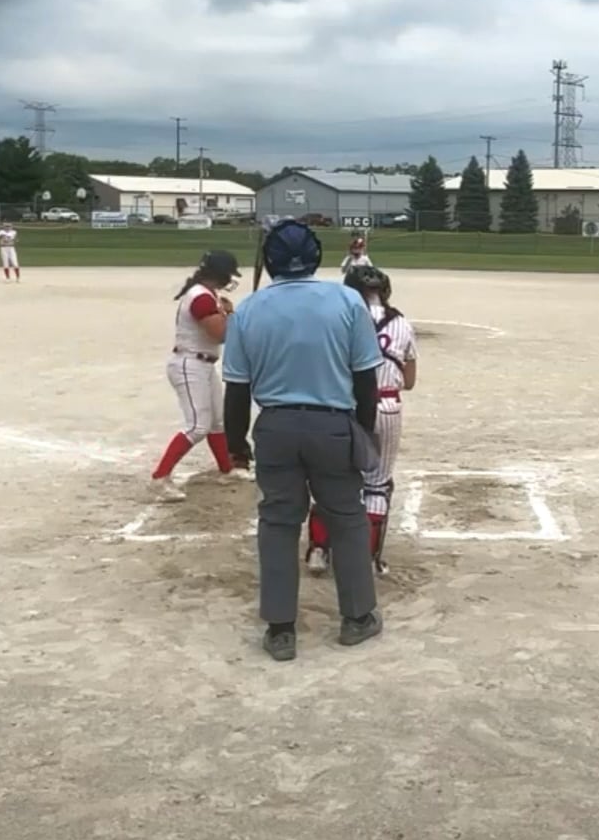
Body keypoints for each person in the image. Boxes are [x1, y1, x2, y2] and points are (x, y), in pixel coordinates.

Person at [223, 219, 385, 662]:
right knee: (346, 518)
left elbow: (236, 389)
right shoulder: (346, 300)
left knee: (277, 524)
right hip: (332, 424)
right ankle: (357, 617)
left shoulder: (248, 311)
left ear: (270, 261)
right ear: (315, 257)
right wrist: (363, 432)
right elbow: (365, 379)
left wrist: (237, 444)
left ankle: (281, 629)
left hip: (276, 426)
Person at [307, 265, 417, 577]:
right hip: (387, 406)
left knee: (330, 477)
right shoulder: (402, 323)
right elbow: (409, 381)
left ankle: (318, 550)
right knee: (377, 483)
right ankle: (366, 559)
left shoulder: (339, 318)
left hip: (343, 404)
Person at [151, 250, 246, 484]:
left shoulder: (208, 294)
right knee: (197, 427)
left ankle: (226, 470)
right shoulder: (201, 297)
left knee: (217, 423)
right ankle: (160, 477)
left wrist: (225, 313)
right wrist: (230, 315)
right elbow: (220, 334)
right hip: (190, 364)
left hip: (203, 364)